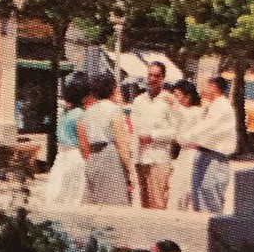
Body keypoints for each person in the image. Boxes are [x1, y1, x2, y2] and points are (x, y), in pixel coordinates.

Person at [77, 73, 133, 205]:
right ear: (113, 89)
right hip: (110, 155)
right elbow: (121, 143)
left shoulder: (87, 113)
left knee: (95, 201)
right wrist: (130, 169)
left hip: (93, 156)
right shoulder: (114, 110)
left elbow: (83, 142)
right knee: (114, 202)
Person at [129, 60, 179, 208]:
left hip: (159, 158)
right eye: (150, 75)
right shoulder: (139, 100)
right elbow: (134, 128)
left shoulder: (168, 101)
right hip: (141, 158)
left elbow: (175, 130)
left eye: (156, 76)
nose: (152, 79)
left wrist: (153, 135)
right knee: (144, 204)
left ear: (163, 78)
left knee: (157, 203)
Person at [190, 74, 238, 214]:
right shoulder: (210, 106)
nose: (202, 89)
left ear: (214, 88)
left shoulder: (222, 107)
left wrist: (185, 137)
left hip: (215, 159)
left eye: (205, 85)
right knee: (199, 198)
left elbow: (207, 128)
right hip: (204, 155)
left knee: (210, 199)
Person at [42, 76, 90, 206]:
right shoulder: (80, 114)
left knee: (59, 190)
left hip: (62, 154)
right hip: (75, 155)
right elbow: (83, 141)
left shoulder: (63, 114)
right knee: (75, 193)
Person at [167, 79, 201, 211]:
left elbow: (187, 117)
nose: (175, 98)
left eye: (177, 95)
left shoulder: (196, 111)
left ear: (187, 97)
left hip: (193, 154)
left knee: (188, 190)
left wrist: (174, 105)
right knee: (177, 191)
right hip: (183, 153)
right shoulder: (179, 112)